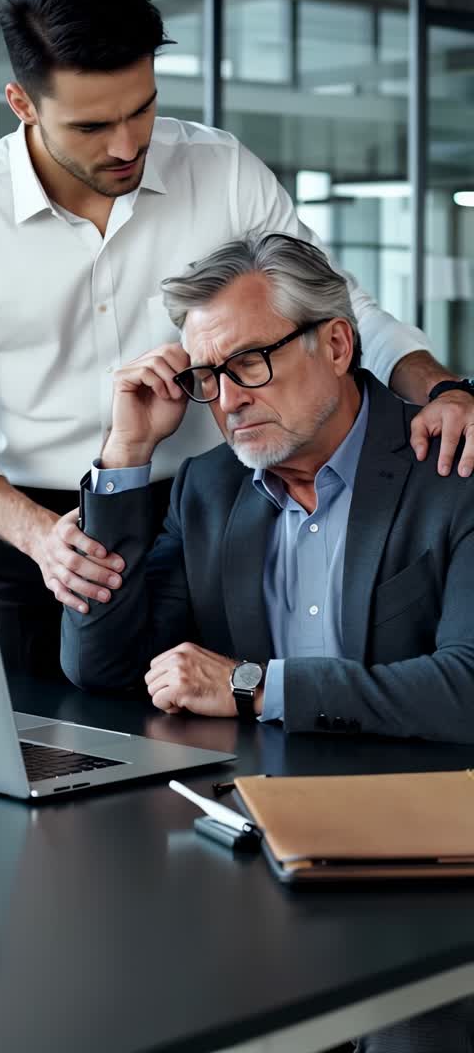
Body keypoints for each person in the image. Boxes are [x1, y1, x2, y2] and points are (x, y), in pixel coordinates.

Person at [0, 0, 474, 678]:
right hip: (22, 527)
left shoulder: (219, 167)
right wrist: (41, 537)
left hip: (203, 513)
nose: (128, 145)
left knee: (199, 720)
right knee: (23, 746)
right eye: (94, 125)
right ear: (23, 104)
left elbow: (339, 310)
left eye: (143, 109)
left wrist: (440, 388)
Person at [61, 232, 474, 1053]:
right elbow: (100, 664)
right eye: (208, 377)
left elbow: (467, 689)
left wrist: (255, 685)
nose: (227, 400)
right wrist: (126, 457)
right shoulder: (212, 486)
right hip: (262, 832)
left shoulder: (450, 462)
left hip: (430, 850)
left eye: (249, 363)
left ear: (335, 341)